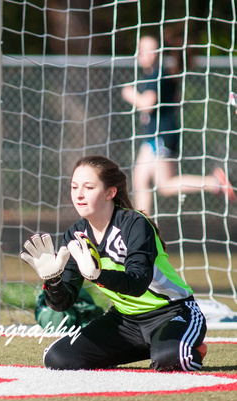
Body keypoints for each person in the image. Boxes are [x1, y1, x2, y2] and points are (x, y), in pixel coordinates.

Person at [20, 155, 207, 371]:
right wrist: (52, 280)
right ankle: (154, 347)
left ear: (110, 192)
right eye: (74, 187)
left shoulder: (135, 224)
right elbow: (63, 303)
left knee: (173, 360)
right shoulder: (75, 235)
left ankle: (183, 346)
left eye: (89, 187)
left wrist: (98, 275)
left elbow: (137, 283)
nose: (79, 195)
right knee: (57, 359)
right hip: (125, 320)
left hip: (172, 312)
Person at [121, 35, 235, 216]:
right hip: (157, 135)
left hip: (161, 135)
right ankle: (142, 226)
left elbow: (148, 103)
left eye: (148, 49)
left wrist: (129, 94)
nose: (142, 53)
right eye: (141, 48)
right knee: (140, 179)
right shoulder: (161, 73)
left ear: (157, 52)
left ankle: (213, 182)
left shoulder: (157, 73)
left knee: (164, 185)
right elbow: (176, 100)